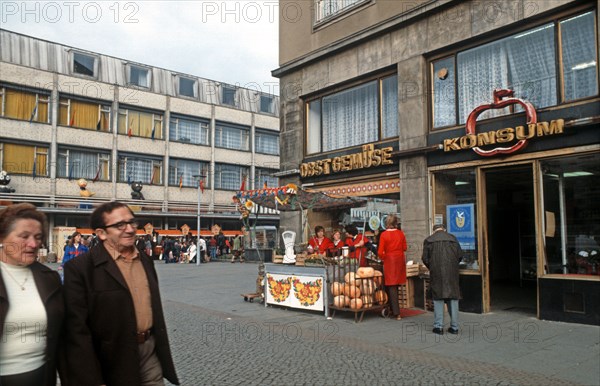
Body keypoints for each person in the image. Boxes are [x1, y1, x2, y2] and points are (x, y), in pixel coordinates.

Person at [63, 201, 179, 385]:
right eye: (119, 225)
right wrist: (91, 378)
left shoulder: (145, 260)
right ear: (101, 233)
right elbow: (76, 329)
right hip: (111, 357)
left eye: (131, 222)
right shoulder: (81, 268)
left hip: (149, 351)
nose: (130, 229)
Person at [0, 203, 65, 386]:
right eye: (24, 236)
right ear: (2, 237)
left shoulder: (49, 278)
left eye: (38, 237)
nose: (33, 244)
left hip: (42, 376)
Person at [422, 223, 463, 335]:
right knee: (453, 299)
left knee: (438, 299)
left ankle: (438, 327)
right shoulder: (453, 239)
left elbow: (425, 258)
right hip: (452, 273)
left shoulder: (429, 240)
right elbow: (460, 255)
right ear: (444, 229)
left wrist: (432, 267)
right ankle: (454, 327)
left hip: (437, 273)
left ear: (434, 230)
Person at [377, 214, 408, 321]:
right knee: (396, 284)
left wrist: (383, 257)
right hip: (399, 259)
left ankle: (396, 312)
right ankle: (394, 309)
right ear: (396, 223)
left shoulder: (384, 235)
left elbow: (380, 252)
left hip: (389, 260)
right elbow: (405, 247)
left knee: (391, 285)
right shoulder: (401, 233)